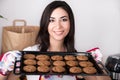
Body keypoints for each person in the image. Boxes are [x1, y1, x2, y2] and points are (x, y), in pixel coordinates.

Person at [0, 1, 82, 80]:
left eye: (64, 20)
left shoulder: (77, 59)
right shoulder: (30, 54)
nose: (58, 26)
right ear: (45, 23)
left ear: (71, 23)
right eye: (52, 20)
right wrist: (4, 68)